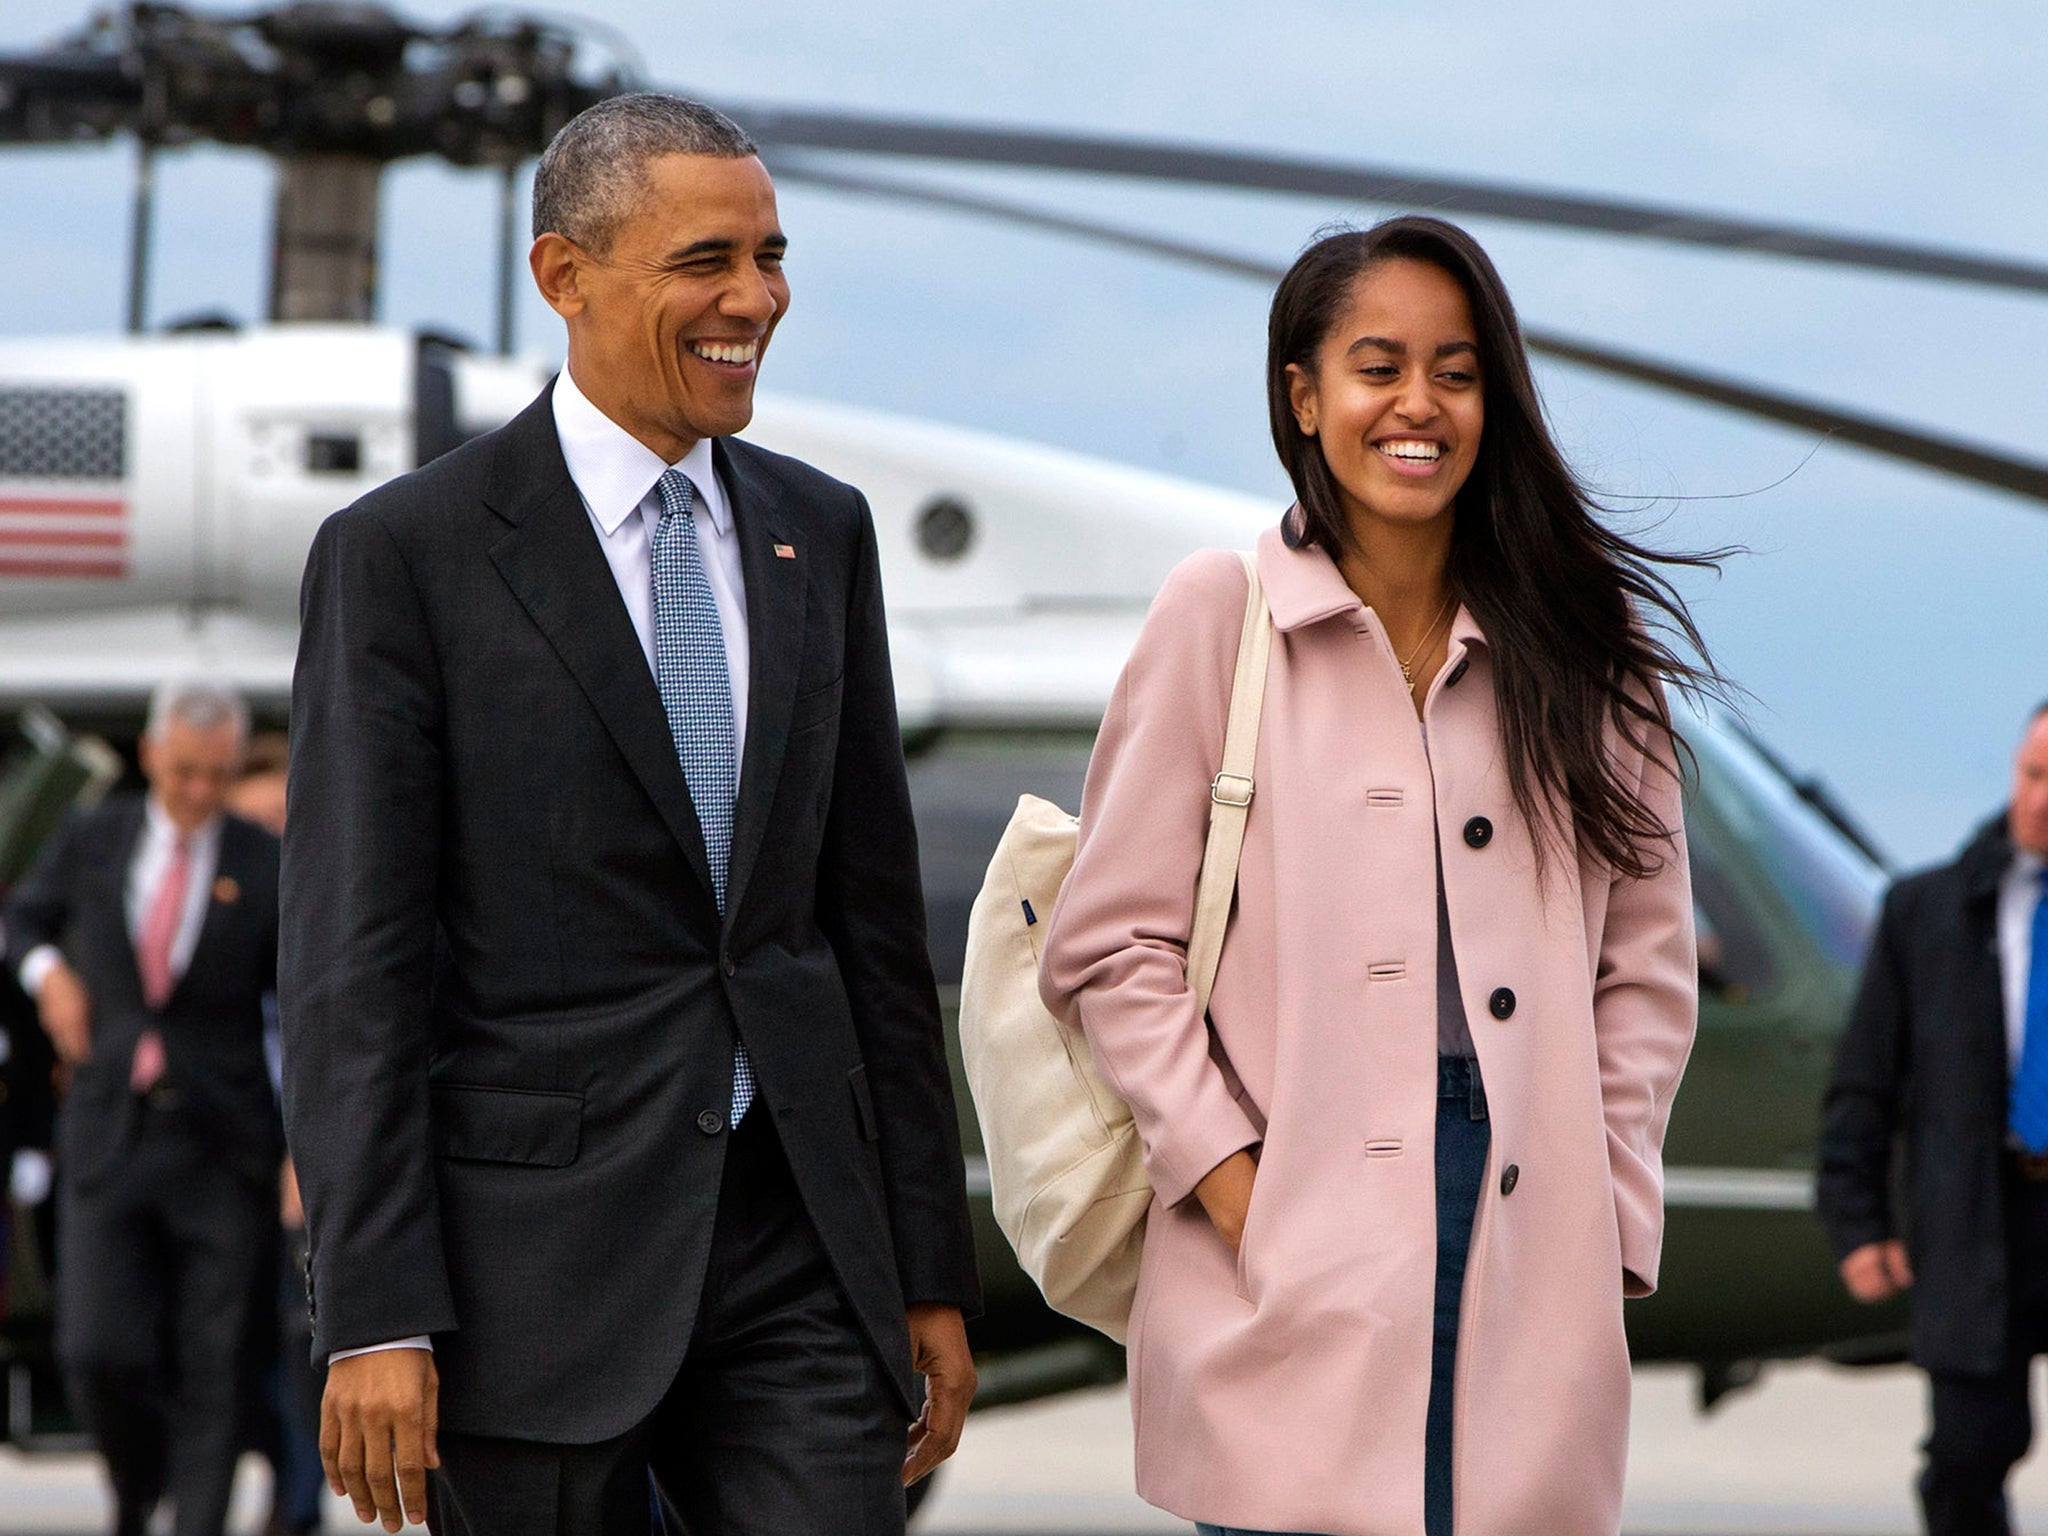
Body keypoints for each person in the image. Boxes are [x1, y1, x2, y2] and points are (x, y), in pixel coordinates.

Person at [280, 92, 978, 1536]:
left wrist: (927, 1265)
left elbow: (872, 928)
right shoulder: (403, 559)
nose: (756, 299)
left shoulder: (820, 533)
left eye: (772, 257)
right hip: (527, 1283)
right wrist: (373, 1311)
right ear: (565, 277)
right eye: (706, 260)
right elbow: (354, 968)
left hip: (801, 1255)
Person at [1038, 217, 1706, 1536]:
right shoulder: (1214, 615)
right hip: (1285, 1215)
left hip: (1532, 1219)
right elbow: (1110, 948)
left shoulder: (1586, 638)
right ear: (1304, 393)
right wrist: (1231, 1180)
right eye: (1378, 364)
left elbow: (1646, 959)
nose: (1420, 405)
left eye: (1457, 372)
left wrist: (1614, 1202)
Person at [4, 679, 283, 1536]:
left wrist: (304, 1145)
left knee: (215, 1361)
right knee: (98, 1348)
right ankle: (133, 1486)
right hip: (110, 1134)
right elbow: (21, 920)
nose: (200, 792)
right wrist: (51, 979)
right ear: (154, 755)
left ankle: (196, 1521)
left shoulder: (264, 860)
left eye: (217, 774)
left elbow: (307, 1007)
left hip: (223, 1145)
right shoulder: (97, 836)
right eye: (185, 772)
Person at [1819, 701, 2048, 1536]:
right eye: (2033, 775)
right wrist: (1857, 1222)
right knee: (1968, 1451)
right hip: (1976, 1215)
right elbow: (1864, 1083)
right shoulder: (1927, 912)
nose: (2042, 800)